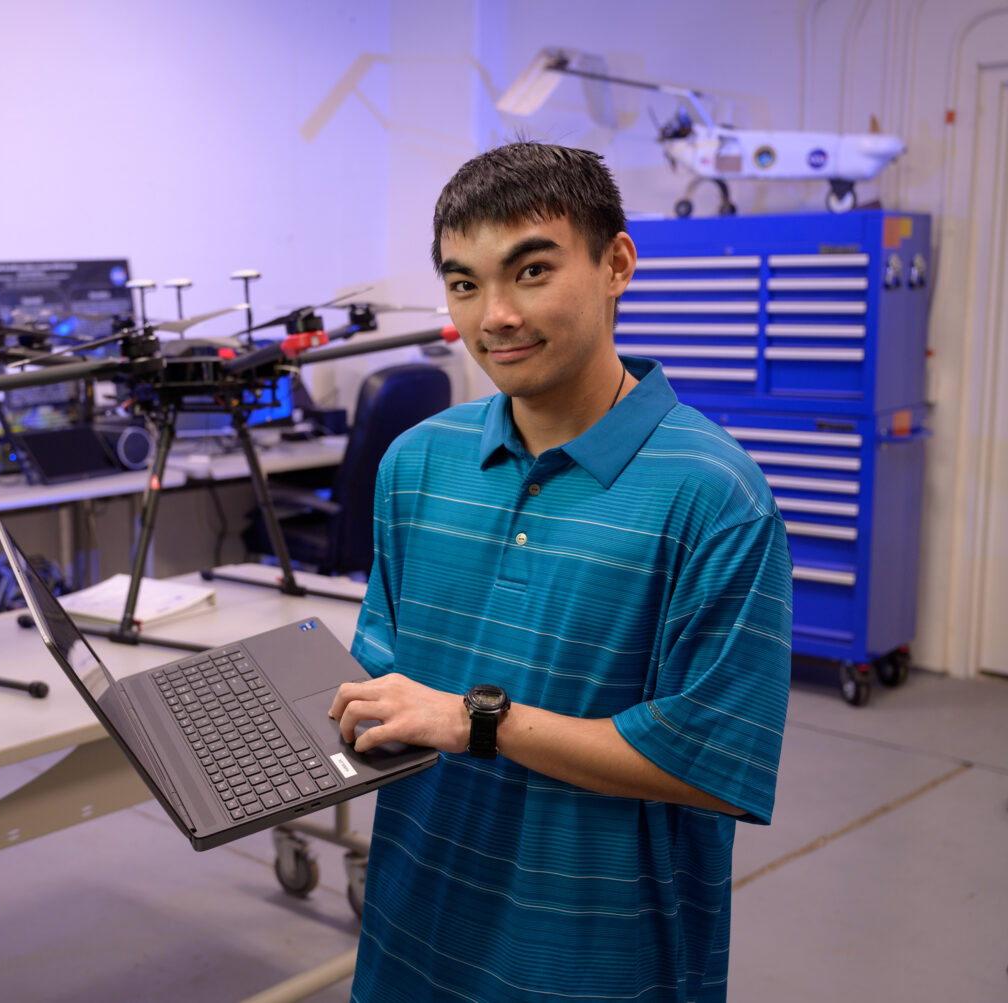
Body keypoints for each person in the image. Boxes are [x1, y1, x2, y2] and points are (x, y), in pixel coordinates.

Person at [328, 142, 792, 1002]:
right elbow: (390, 679)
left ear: (616, 264)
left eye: (531, 270)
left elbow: (710, 765)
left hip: (593, 963)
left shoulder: (713, 494)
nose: (494, 314)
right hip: (410, 935)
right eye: (463, 283)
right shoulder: (416, 461)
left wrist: (474, 721)